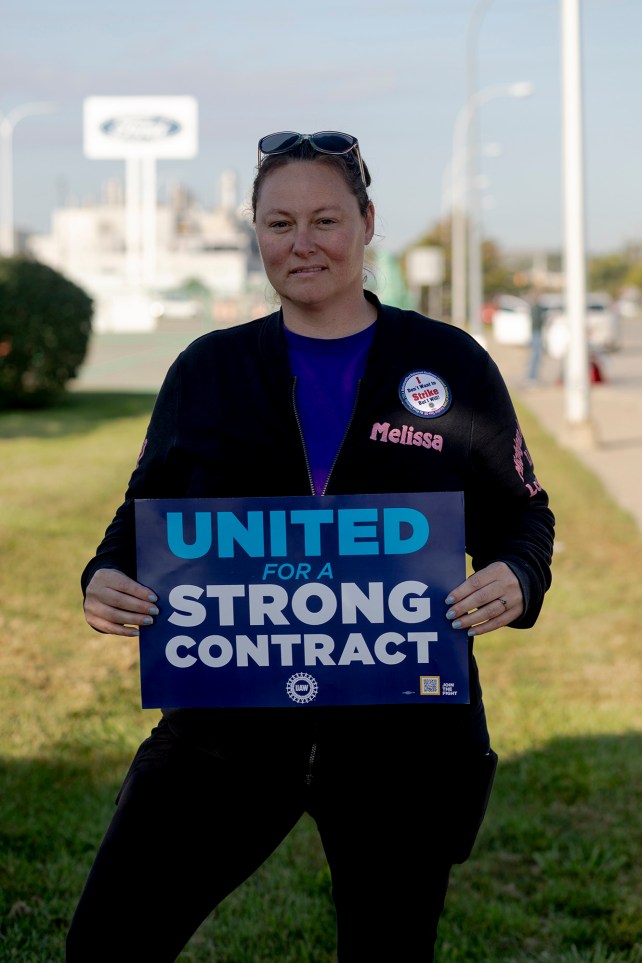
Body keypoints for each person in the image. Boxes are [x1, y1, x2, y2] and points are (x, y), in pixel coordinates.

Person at [67, 130, 555, 962]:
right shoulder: (208, 368)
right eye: (279, 222)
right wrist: (106, 574)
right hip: (228, 720)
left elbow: (522, 514)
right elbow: (144, 509)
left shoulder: (449, 363)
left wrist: (516, 574)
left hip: (400, 735)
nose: (303, 244)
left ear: (367, 224)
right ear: (255, 232)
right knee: (109, 940)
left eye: (325, 220)